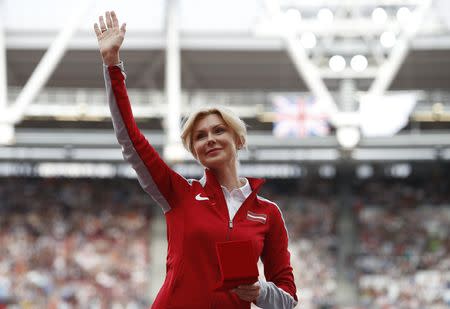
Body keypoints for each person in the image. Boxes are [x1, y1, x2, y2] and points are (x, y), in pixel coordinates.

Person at [94, 11, 298, 309]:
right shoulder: (178, 193)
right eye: (200, 136)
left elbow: (289, 299)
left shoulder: (268, 214)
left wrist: (260, 292)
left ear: (238, 140)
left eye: (219, 131)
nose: (210, 139)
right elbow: (131, 140)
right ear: (194, 150)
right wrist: (112, 65)